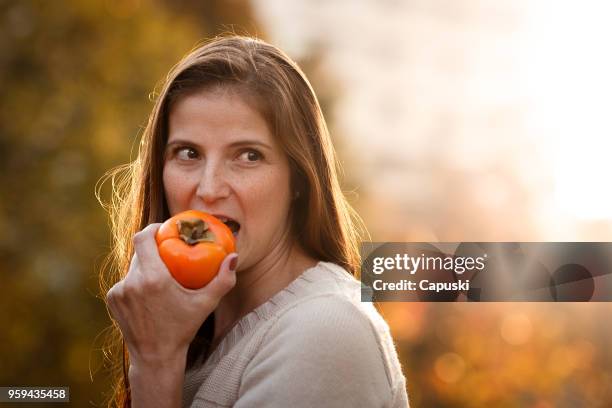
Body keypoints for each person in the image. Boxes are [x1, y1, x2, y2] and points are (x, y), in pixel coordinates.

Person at [100, 35, 409, 408]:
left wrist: (155, 363)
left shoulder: (325, 332)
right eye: (188, 153)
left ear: (298, 179)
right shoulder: (191, 330)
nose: (209, 188)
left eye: (248, 156)